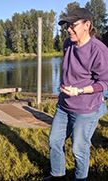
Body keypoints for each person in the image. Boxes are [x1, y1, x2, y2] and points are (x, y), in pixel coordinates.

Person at [44, 8, 108, 181]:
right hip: (64, 106)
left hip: (86, 109)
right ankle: (58, 175)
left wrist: (79, 90)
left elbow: (104, 83)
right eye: (67, 26)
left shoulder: (99, 50)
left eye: (73, 25)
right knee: (54, 142)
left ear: (87, 25)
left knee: (79, 148)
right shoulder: (68, 44)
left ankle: (81, 179)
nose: (69, 29)